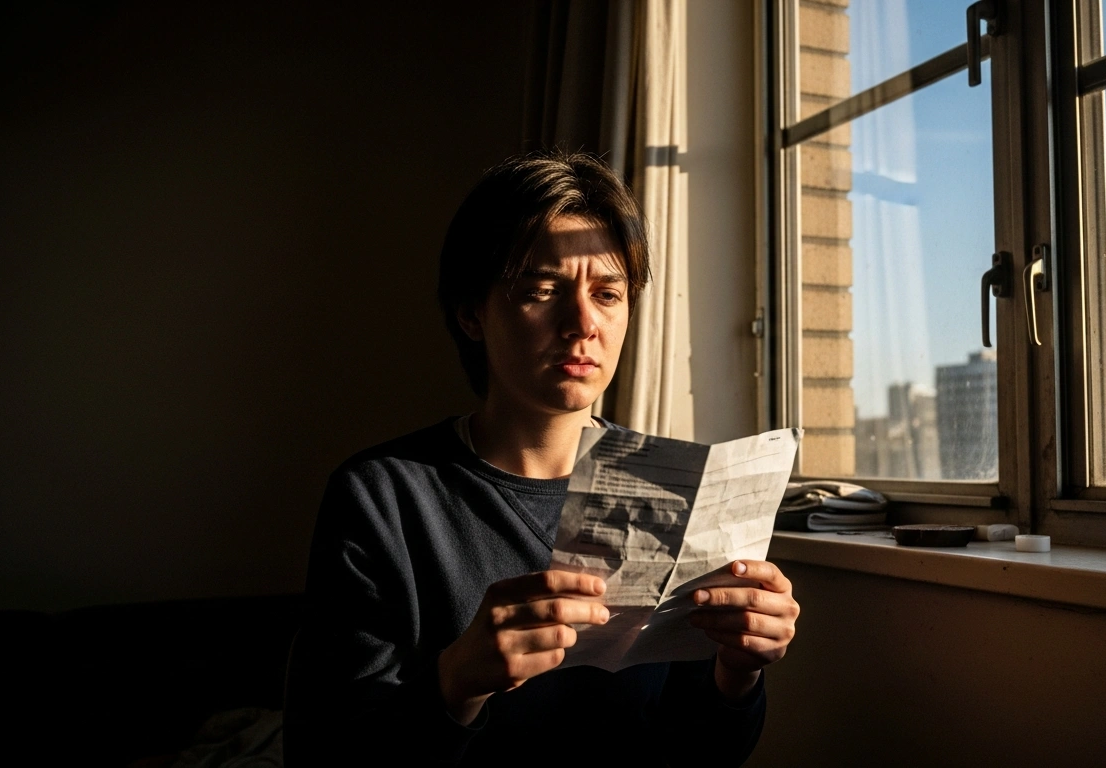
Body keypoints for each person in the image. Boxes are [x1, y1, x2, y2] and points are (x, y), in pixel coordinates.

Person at [283, 151, 800, 767]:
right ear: (471, 312)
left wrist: (737, 673)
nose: (582, 323)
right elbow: (326, 754)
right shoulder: (384, 497)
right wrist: (456, 683)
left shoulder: (675, 490)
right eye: (542, 290)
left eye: (607, 293)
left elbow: (697, 752)